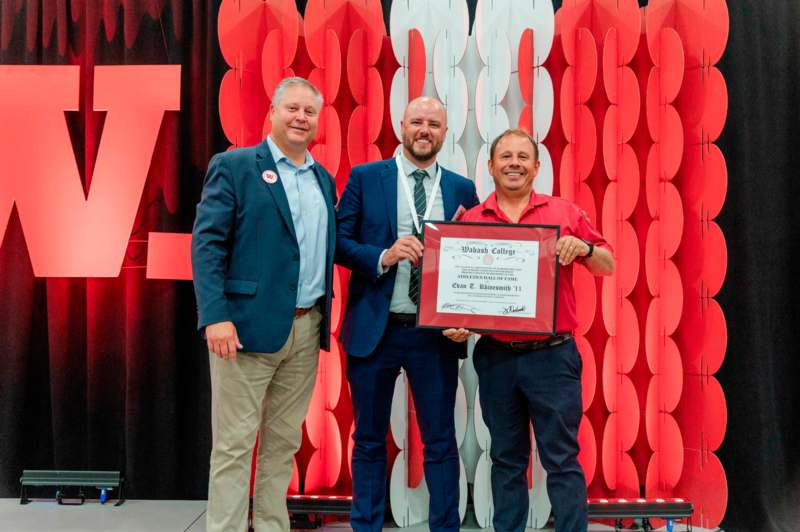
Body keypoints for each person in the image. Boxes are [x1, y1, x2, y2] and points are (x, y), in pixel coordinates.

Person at [191, 77, 337, 532]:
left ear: (318, 121)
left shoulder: (322, 178)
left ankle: (273, 526)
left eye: (309, 112)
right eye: (291, 108)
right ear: (271, 113)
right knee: (234, 445)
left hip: (306, 328)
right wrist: (215, 316)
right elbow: (207, 244)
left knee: (282, 443)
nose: (300, 118)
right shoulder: (235, 166)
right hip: (244, 330)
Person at [453, 129, 614, 532]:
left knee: (561, 457)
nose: (514, 163)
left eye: (523, 156)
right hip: (495, 358)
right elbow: (455, 289)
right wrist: (454, 322)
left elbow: (608, 263)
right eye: (505, 156)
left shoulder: (565, 212)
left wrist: (585, 249)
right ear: (489, 166)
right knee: (506, 457)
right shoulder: (471, 220)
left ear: (537, 167)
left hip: (552, 357)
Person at [336, 96, 479, 532]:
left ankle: (445, 527)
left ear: (445, 131)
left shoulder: (460, 188)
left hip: (433, 336)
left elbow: (472, 262)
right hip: (374, 330)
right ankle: (366, 526)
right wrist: (383, 255)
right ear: (401, 125)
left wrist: (466, 317)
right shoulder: (365, 177)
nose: (424, 130)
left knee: (439, 441)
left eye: (433, 124)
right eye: (417, 121)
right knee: (368, 441)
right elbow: (338, 242)